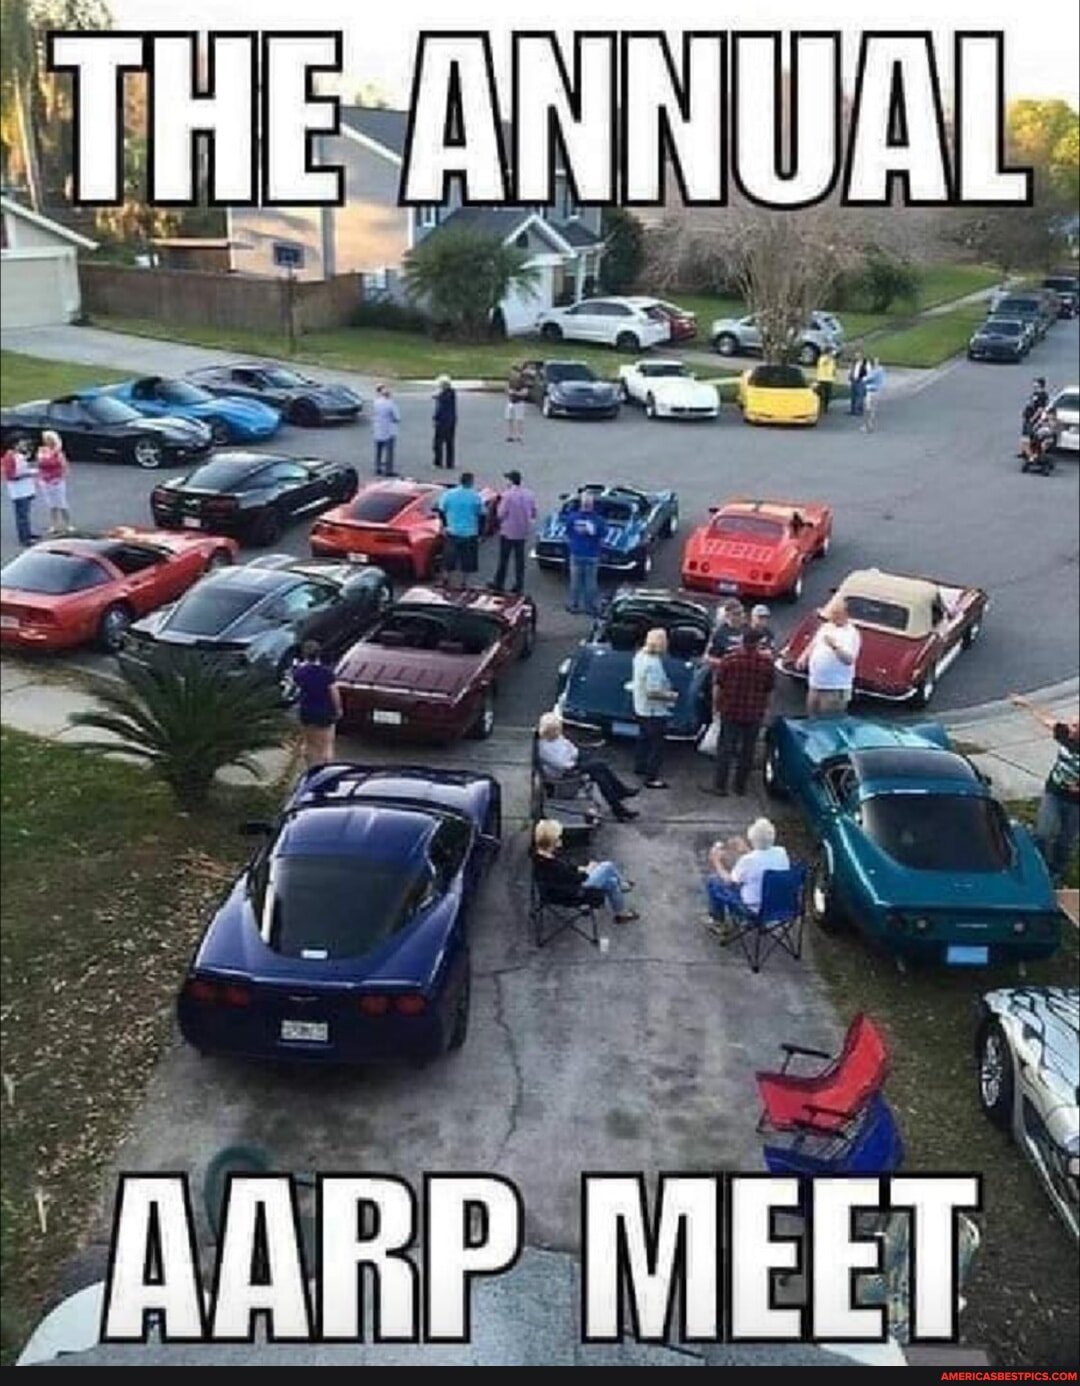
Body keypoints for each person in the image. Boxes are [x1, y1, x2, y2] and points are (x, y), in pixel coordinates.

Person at [1010, 694, 1079, 885]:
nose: (1070, 728)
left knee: (1066, 841)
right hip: (1054, 793)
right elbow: (1047, 720)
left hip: (1076, 803)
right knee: (1043, 833)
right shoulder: (1065, 734)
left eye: (1075, 727)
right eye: (1071, 724)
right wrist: (1027, 704)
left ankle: (1056, 872)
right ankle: (1039, 868)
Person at [706, 629, 776, 796]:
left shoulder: (730, 660)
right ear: (758, 644)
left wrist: (715, 707)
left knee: (725, 748)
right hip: (754, 712)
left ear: (742, 641)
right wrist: (767, 709)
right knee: (747, 750)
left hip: (730, 709)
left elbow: (719, 685)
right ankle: (740, 786)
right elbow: (769, 690)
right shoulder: (766, 664)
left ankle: (720, 785)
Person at [536, 710, 640, 822]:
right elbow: (563, 764)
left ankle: (619, 805)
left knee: (600, 772)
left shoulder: (557, 737)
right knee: (598, 767)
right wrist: (571, 757)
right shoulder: (544, 748)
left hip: (573, 761)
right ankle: (620, 798)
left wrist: (571, 756)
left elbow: (572, 749)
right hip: (565, 772)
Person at [532, 818, 638, 924]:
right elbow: (576, 878)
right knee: (607, 866)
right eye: (559, 837)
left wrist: (580, 868)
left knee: (612, 882)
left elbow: (567, 872)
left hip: (565, 888)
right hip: (575, 892)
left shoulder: (541, 856)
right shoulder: (552, 865)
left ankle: (620, 913)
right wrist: (589, 869)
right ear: (552, 840)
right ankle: (622, 885)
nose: (561, 838)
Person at [705, 817, 790, 925]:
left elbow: (730, 880)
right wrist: (746, 850)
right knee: (750, 880)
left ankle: (718, 921)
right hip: (781, 907)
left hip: (754, 910)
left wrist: (716, 861)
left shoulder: (748, 860)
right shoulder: (781, 852)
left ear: (752, 838)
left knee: (714, 881)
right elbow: (761, 860)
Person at [797, 595, 861, 716]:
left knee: (827, 720)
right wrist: (804, 657)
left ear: (844, 614)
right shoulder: (826, 627)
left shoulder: (851, 634)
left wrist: (835, 647)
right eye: (832, 613)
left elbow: (849, 660)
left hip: (835, 688)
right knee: (812, 718)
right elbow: (814, 643)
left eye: (835, 613)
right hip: (816, 684)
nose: (832, 616)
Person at [631, 627, 679, 788]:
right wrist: (672, 696)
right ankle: (651, 778)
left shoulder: (640, 656)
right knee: (657, 746)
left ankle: (639, 766)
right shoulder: (653, 664)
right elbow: (652, 692)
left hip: (640, 707)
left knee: (643, 739)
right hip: (654, 711)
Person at [291, 641, 343, 768]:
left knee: (310, 744)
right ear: (319, 654)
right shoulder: (327, 673)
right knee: (326, 746)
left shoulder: (299, 673)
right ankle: (325, 770)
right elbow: (334, 693)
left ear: (304, 654)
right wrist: (338, 709)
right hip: (325, 711)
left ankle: (310, 769)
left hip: (307, 711)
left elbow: (295, 691)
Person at [436, 471, 486, 589]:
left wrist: (445, 525)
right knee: (468, 559)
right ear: (471, 482)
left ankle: (445, 579)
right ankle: (464, 583)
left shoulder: (449, 494)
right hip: (470, 532)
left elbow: (441, 510)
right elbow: (482, 515)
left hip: (452, 531)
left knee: (449, 557)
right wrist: (480, 533)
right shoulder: (475, 497)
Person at [491, 468, 537, 594]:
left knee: (504, 559)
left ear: (510, 481)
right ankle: (519, 584)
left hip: (508, 531)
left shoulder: (507, 495)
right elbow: (534, 512)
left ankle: (499, 583)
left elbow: (501, 514)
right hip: (522, 531)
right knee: (519, 560)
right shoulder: (529, 494)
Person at [562, 490, 603, 616]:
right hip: (592, 554)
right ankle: (590, 607)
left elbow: (567, 534)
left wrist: (573, 545)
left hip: (576, 553)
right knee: (591, 582)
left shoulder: (572, 518)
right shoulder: (598, 520)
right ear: (592, 505)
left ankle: (574, 605)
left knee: (575, 581)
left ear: (581, 504)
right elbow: (603, 536)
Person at [2, 440, 39, 547]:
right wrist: (30, 473)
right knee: (22, 515)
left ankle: (27, 533)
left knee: (25, 514)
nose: (24, 446)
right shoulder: (10, 457)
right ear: (15, 445)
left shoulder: (17, 455)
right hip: (19, 491)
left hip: (24, 489)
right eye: (21, 444)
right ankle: (24, 538)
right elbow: (12, 475)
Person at [36, 431, 71, 533]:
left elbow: (64, 466)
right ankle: (54, 525)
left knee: (62, 503)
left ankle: (67, 524)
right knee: (51, 504)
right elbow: (41, 462)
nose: (47, 441)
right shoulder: (42, 451)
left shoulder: (59, 453)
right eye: (46, 439)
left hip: (57, 480)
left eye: (49, 439)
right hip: (45, 481)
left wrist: (62, 477)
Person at [706, 599, 746, 669]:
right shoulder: (719, 633)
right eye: (736, 614)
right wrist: (725, 663)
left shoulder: (747, 630)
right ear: (727, 615)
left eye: (741, 613)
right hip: (727, 670)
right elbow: (708, 657)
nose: (740, 617)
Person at [371, 383, 401, 477]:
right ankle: (388, 470)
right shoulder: (390, 404)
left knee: (378, 450)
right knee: (389, 452)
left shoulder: (376, 402)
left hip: (377, 429)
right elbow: (397, 417)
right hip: (388, 430)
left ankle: (377, 467)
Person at [432, 375, 457, 470]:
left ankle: (438, 462)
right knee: (450, 442)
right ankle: (450, 463)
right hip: (452, 420)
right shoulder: (452, 393)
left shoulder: (443, 396)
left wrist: (435, 418)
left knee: (438, 442)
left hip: (442, 421)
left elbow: (440, 409)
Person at [505, 363, 529, 443]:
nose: (513, 374)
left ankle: (519, 436)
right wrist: (508, 391)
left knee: (519, 419)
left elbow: (525, 392)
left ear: (518, 372)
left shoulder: (522, 381)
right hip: (510, 402)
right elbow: (507, 389)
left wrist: (515, 393)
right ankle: (510, 435)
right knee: (509, 419)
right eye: (512, 372)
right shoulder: (510, 380)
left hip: (519, 402)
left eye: (514, 372)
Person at [862, 358, 885, 432]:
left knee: (867, 409)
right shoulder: (880, 371)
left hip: (871, 391)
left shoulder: (875, 371)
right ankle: (870, 424)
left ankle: (868, 425)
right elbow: (882, 382)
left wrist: (864, 377)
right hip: (876, 391)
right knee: (872, 409)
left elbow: (868, 379)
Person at [815, 348, 837, 413]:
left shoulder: (833, 360)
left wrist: (834, 375)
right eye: (831, 352)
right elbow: (823, 363)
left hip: (829, 379)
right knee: (821, 394)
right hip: (822, 379)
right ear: (828, 352)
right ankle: (819, 406)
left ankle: (825, 407)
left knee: (828, 394)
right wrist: (829, 358)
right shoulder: (822, 358)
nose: (832, 354)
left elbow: (833, 369)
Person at [848, 352, 868, 416]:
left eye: (858, 356)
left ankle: (859, 410)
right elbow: (850, 371)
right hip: (853, 380)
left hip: (860, 381)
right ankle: (853, 410)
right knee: (853, 396)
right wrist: (850, 378)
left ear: (860, 357)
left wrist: (862, 379)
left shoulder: (864, 364)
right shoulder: (853, 363)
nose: (856, 357)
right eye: (855, 356)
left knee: (859, 396)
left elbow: (866, 373)